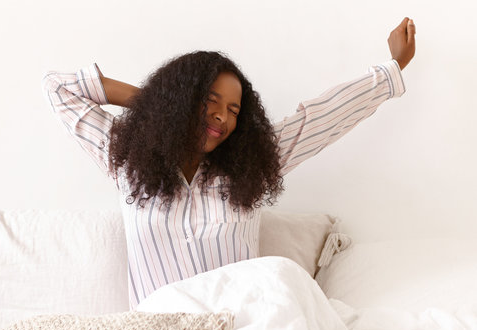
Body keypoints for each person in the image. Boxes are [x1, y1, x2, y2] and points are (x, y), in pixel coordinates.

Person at [42, 17, 416, 309]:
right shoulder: (127, 161)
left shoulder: (251, 165)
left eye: (233, 110)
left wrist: (394, 65)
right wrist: (162, 105)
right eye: (210, 101)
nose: (222, 117)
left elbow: (320, 118)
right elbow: (58, 88)